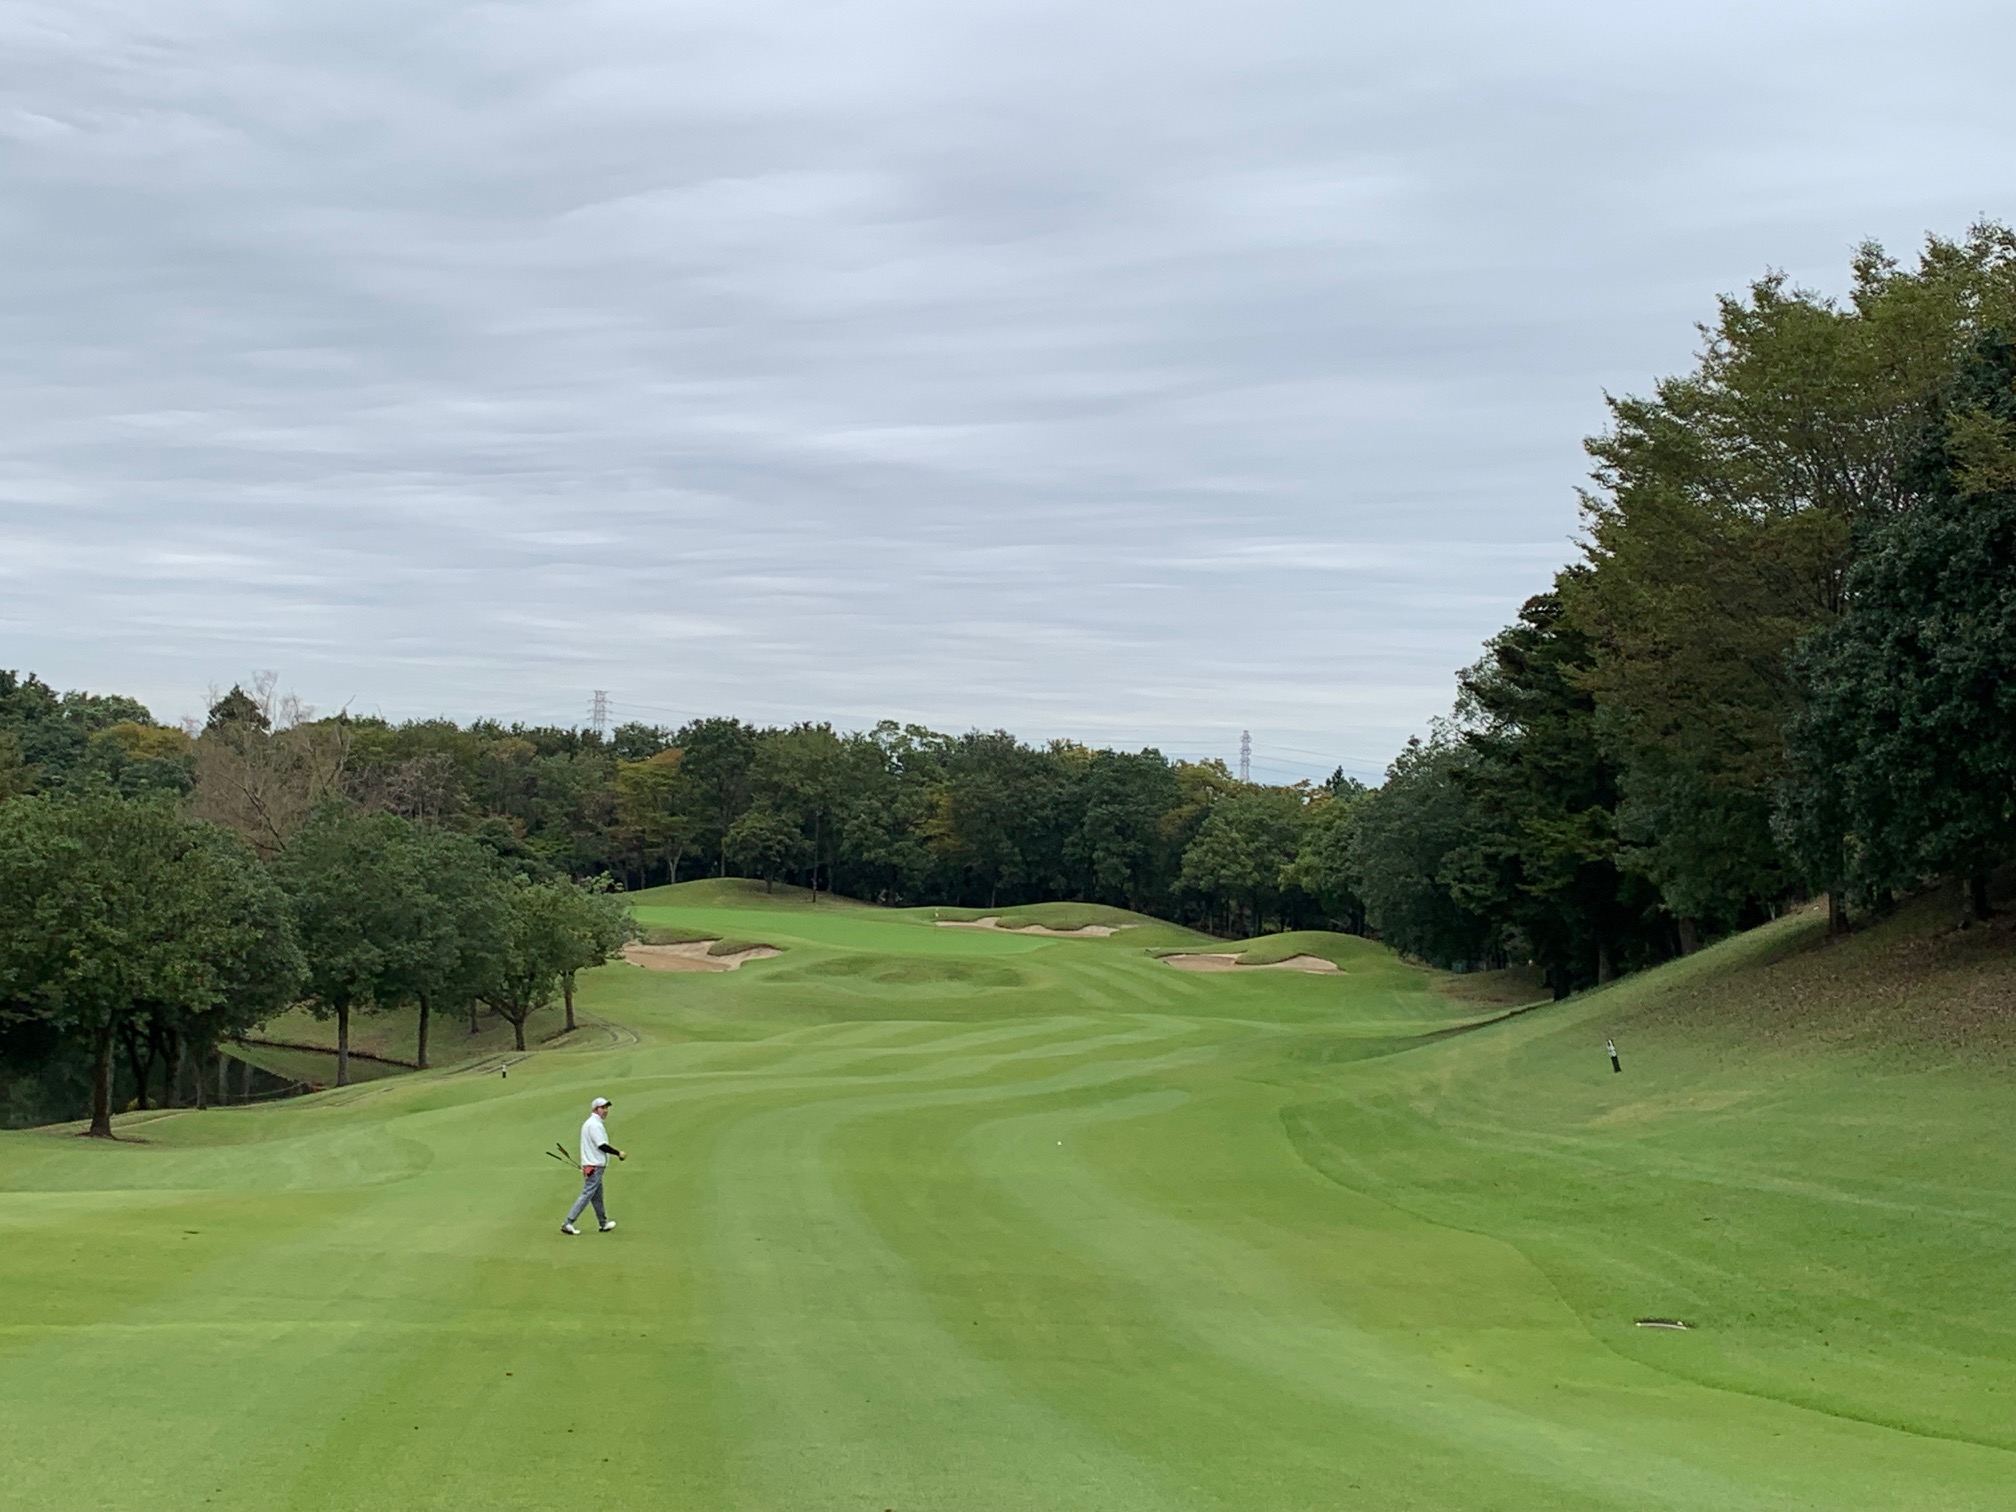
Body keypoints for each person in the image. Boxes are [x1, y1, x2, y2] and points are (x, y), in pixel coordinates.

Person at [560, 1095, 625, 1235]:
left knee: (597, 1195)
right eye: (603, 1108)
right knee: (588, 1193)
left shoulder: (592, 1123)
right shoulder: (594, 1125)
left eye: (607, 1108)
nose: (606, 1110)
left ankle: (603, 1223)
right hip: (594, 1165)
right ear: (596, 1109)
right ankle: (568, 1222)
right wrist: (618, 1153)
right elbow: (601, 1145)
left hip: (593, 1165)